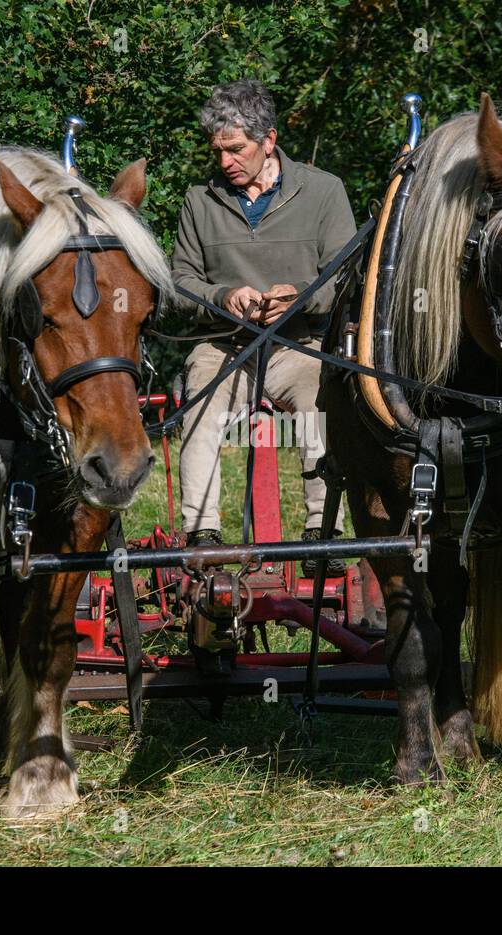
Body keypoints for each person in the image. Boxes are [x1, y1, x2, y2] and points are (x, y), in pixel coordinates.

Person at [172, 78, 353, 575]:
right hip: (226, 344)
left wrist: (300, 298)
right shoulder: (199, 201)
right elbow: (181, 283)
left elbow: (345, 281)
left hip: (301, 344)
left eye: (237, 149)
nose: (226, 161)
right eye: (219, 151)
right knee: (199, 399)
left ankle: (322, 533)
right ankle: (203, 536)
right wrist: (223, 297)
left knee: (323, 397)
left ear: (269, 140)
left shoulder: (323, 191)